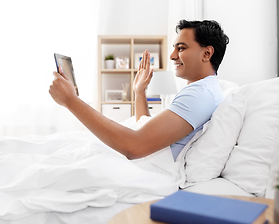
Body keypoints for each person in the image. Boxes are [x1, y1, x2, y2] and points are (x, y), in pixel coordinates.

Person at [49, 19, 229, 161]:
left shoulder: (199, 94)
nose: (173, 56)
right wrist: (139, 92)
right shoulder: (203, 90)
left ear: (207, 54)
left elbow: (135, 146)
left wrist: (71, 101)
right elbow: (148, 133)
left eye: (181, 48)